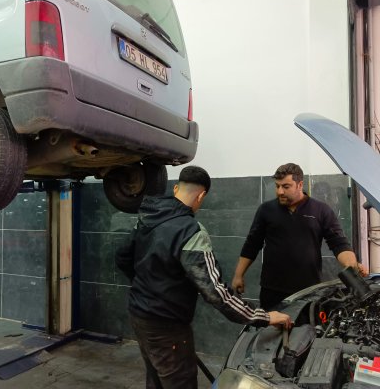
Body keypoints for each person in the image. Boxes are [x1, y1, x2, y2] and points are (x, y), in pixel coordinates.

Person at [116, 165, 292, 389]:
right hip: (168, 325)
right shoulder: (191, 231)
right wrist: (264, 317)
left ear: (177, 188)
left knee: (156, 378)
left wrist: (148, 287)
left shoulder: (147, 217)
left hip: (139, 315)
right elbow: (215, 292)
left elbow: (122, 257)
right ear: (201, 196)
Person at [232, 162, 368, 310]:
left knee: (306, 325)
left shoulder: (321, 210)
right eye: (277, 186)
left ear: (300, 185)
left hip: (309, 290)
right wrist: (238, 275)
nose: (280, 192)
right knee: (271, 325)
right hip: (272, 290)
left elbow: (339, 244)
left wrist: (352, 265)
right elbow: (252, 244)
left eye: (286, 186)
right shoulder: (266, 210)